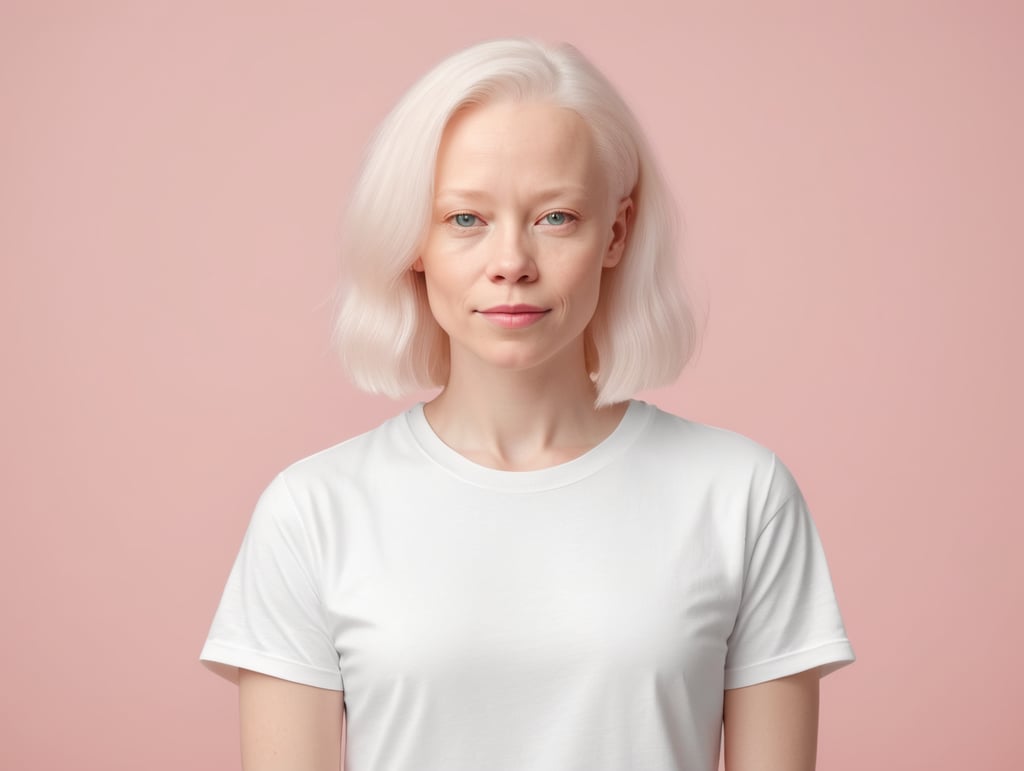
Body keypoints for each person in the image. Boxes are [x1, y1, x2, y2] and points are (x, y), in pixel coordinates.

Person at [199, 37, 855, 771]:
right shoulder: (311, 511)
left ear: (617, 232)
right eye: (465, 220)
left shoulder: (740, 494)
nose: (511, 262)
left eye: (556, 217)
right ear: (413, 240)